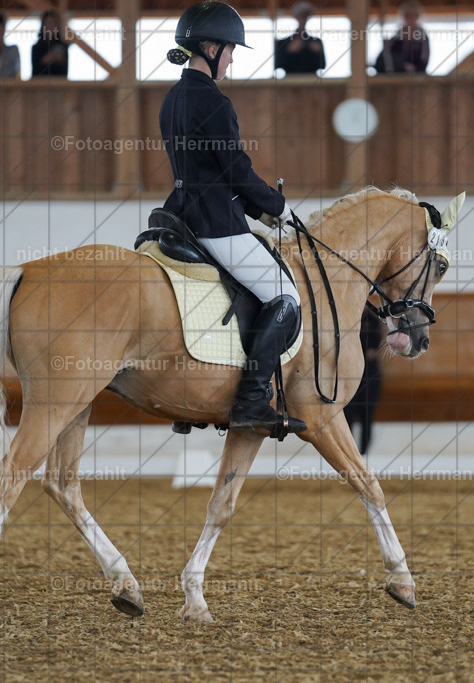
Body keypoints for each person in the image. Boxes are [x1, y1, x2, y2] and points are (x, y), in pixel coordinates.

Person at [161, 1, 305, 435]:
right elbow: (236, 171)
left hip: (179, 214)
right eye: (230, 51)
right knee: (285, 296)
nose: (232, 59)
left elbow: (210, 173)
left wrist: (258, 209)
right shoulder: (213, 101)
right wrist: (279, 207)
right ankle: (251, 400)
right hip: (214, 223)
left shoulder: (172, 98)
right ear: (211, 49)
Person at [344, 308, 384, 454]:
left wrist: (369, 352)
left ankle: (364, 453)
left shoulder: (372, 319)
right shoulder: (350, 318)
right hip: (350, 374)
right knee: (347, 416)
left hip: (369, 375)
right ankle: (349, 452)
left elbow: (376, 344)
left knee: (367, 415)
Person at [374, 1, 430, 74]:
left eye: (414, 15)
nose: (411, 18)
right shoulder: (394, 40)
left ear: (418, 16)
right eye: (408, 15)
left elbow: (424, 61)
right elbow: (385, 59)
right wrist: (402, 66)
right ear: (403, 16)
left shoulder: (423, 39)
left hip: (416, 78)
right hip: (395, 77)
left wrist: (413, 69)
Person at [274, 1, 326, 75]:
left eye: (306, 16)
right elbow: (278, 65)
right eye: (301, 15)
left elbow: (323, 65)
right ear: (295, 16)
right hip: (290, 80)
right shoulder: (283, 43)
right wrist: (289, 51)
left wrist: (317, 53)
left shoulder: (316, 41)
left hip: (311, 79)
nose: (303, 19)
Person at [31, 10, 69, 78]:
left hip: (59, 83)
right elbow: (35, 73)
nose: (50, 27)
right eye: (47, 23)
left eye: (52, 23)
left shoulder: (63, 47)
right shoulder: (36, 48)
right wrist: (45, 60)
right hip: (40, 83)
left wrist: (59, 60)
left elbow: (65, 73)